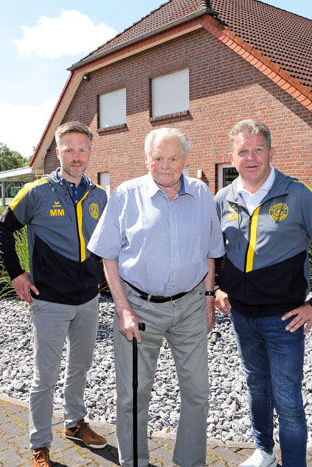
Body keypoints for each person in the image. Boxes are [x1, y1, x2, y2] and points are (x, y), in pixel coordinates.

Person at [214, 119, 312, 467]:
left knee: (287, 399)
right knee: (256, 387)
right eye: (243, 151)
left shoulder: (298, 193)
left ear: (271, 152)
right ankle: (264, 452)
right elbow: (212, 250)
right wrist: (216, 288)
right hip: (241, 317)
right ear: (232, 157)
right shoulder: (223, 199)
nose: (251, 158)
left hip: (284, 320)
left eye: (258, 149)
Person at [87, 127, 224, 467]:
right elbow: (108, 256)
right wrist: (123, 310)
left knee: (197, 393)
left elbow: (210, 251)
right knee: (133, 395)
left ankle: (190, 462)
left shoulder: (202, 194)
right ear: (146, 159)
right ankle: (135, 462)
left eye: (173, 157)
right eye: (158, 157)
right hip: (139, 307)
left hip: (191, 305)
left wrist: (208, 300)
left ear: (185, 160)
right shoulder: (125, 195)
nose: (165, 165)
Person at [0, 121, 109, 467]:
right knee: (45, 376)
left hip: (88, 300)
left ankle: (74, 424)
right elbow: (3, 226)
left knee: (80, 366)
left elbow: (106, 243)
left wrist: (104, 278)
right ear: (57, 152)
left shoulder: (99, 195)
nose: (76, 156)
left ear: (90, 151)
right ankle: (40, 443)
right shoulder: (38, 192)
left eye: (82, 149)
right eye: (69, 150)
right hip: (49, 301)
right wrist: (16, 273)